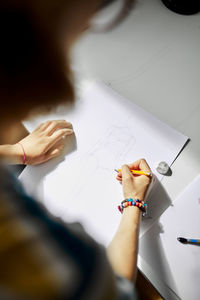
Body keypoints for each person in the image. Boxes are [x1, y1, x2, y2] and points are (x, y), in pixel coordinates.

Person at [0, 0, 152, 299]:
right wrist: (133, 204)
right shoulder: (54, 267)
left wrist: (17, 151)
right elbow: (116, 288)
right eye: (87, 23)